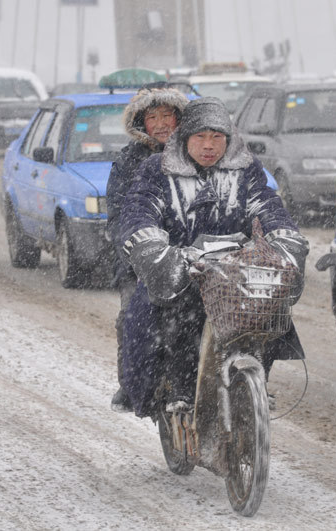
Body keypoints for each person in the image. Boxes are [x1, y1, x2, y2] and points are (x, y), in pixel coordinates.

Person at [119, 97, 309, 416]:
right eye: (200, 137)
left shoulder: (245, 169)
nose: (209, 145)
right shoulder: (156, 170)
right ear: (185, 138)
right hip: (182, 267)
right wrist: (155, 250)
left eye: (217, 137)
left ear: (228, 139)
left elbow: (268, 207)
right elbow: (140, 213)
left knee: (269, 310)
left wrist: (285, 241)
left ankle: (255, 377)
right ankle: (179, 385)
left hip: (234, 269)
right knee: (168, 319)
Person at [106, 84, 190, 413]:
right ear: (141, 124)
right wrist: (138, 248)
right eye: (151, 117)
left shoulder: (199, 151)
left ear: (180, 118)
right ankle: (132, 384)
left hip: (194, 252)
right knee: (132, 317)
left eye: (166, 115)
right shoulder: (128, 161)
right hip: (142, 260)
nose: (160, 124)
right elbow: (118, 216)